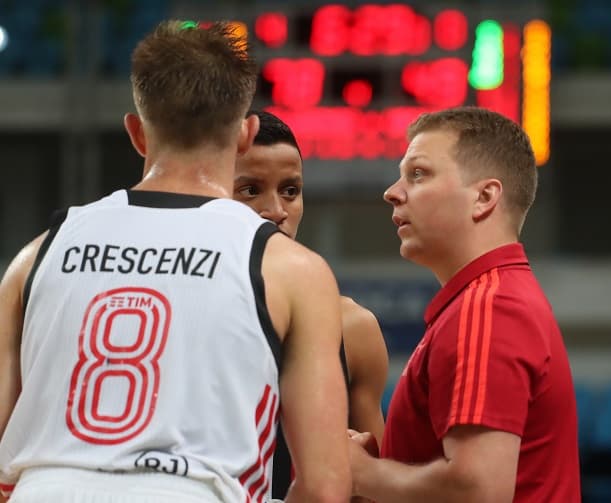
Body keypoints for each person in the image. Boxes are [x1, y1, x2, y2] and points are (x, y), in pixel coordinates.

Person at [0, 20, 350, 503]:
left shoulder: (37, 255)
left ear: (137, 133)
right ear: (247, 133)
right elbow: (325, 486)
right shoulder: (291, 268)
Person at [348, 106, 581, 502]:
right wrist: (389, 463)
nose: (393, 192)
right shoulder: (491, 298)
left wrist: (362, 473)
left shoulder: (488, 307)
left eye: (418, 174)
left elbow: (477, 490)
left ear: (484, 197)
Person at [233, 110, 388, 500]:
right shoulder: (178, 310)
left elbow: (376, 486)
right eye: (250, 190)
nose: (277, 210)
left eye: (290, 190)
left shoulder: (352, 328)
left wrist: (361, 462)